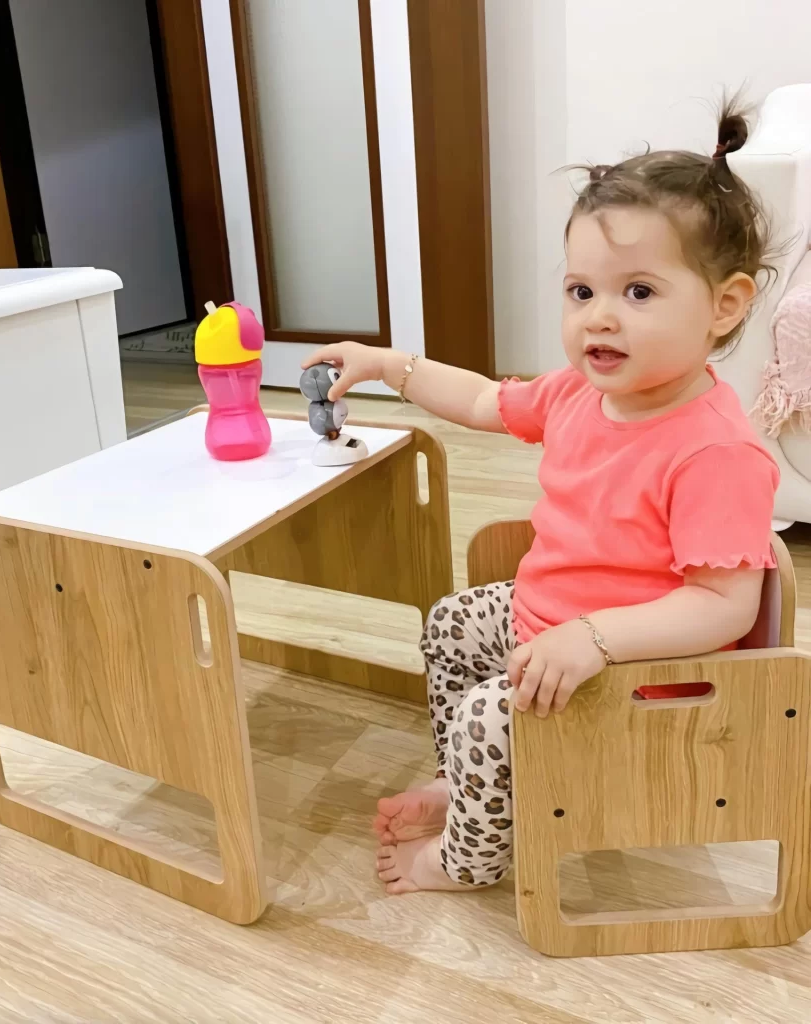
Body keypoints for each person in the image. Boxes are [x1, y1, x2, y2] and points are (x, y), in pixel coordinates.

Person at [302, 100, 780, 896]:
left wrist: (592, 638)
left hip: (642, 673)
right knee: (452, 623)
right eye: (580, 290)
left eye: (637, 292)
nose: (598, 317)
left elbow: (725, 608)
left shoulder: (714, 450)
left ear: (723, 307)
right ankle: (471, 786)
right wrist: (391, 366)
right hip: (552, 624)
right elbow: (488, 402)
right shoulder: (575, 396)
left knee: (493, 716)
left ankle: (470, 861)